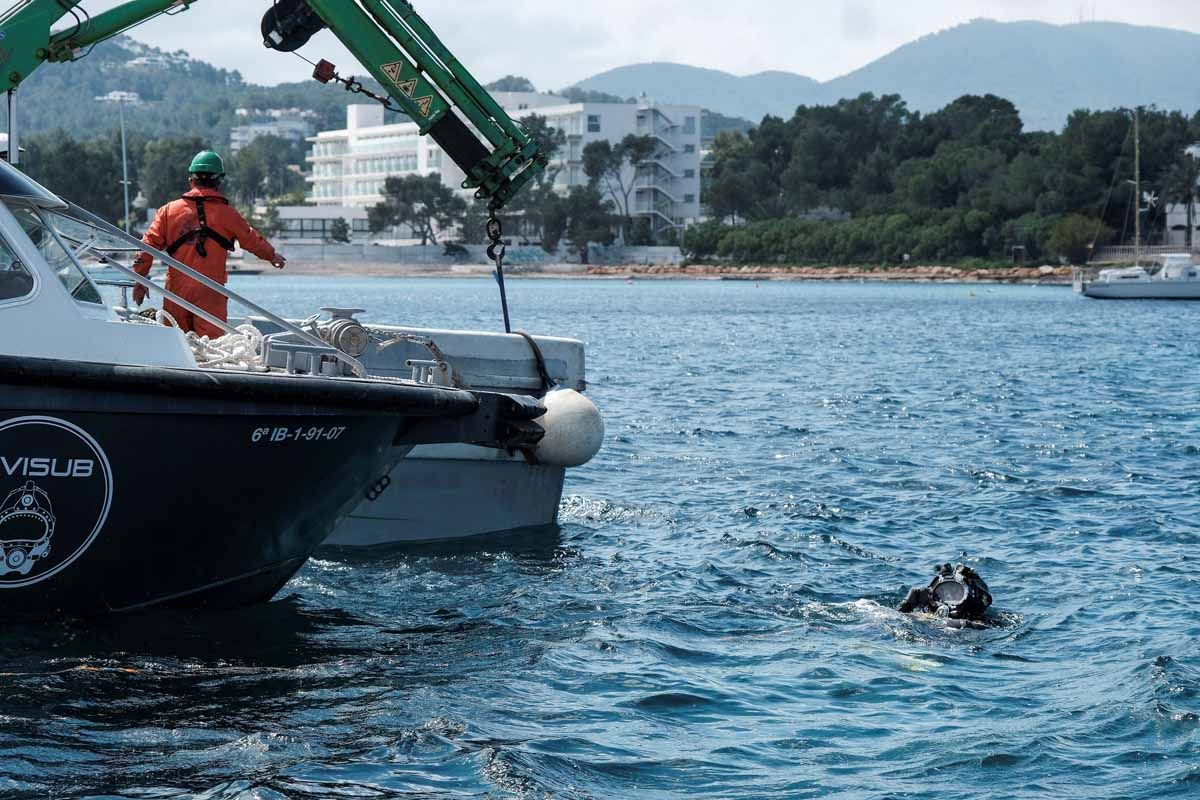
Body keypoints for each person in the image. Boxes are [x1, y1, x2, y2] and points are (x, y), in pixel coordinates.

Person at [133, 150, 286, 337]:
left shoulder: (168, 211)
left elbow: (147, 246)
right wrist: (271, 255)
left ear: (191, 179)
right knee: (212, 348)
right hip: (210, 291)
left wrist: (140, 280)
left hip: (176, 291)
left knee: (176, 344)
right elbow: (251, 239)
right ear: (218, 181)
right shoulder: (229, 215)